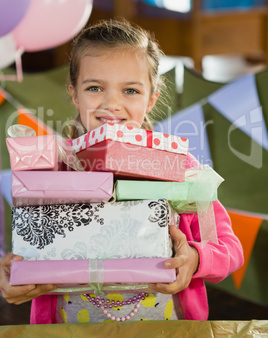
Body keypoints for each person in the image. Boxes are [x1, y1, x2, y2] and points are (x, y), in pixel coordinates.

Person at [0, 19, 244, 323]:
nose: (112, 103)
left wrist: (195, 258)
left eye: (130, 90)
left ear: (151, 99)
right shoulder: (51, 168)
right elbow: (24, 249)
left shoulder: (180, 168)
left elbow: (229, 248)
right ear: (74, 94)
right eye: (94, 88)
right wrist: (12, 272)